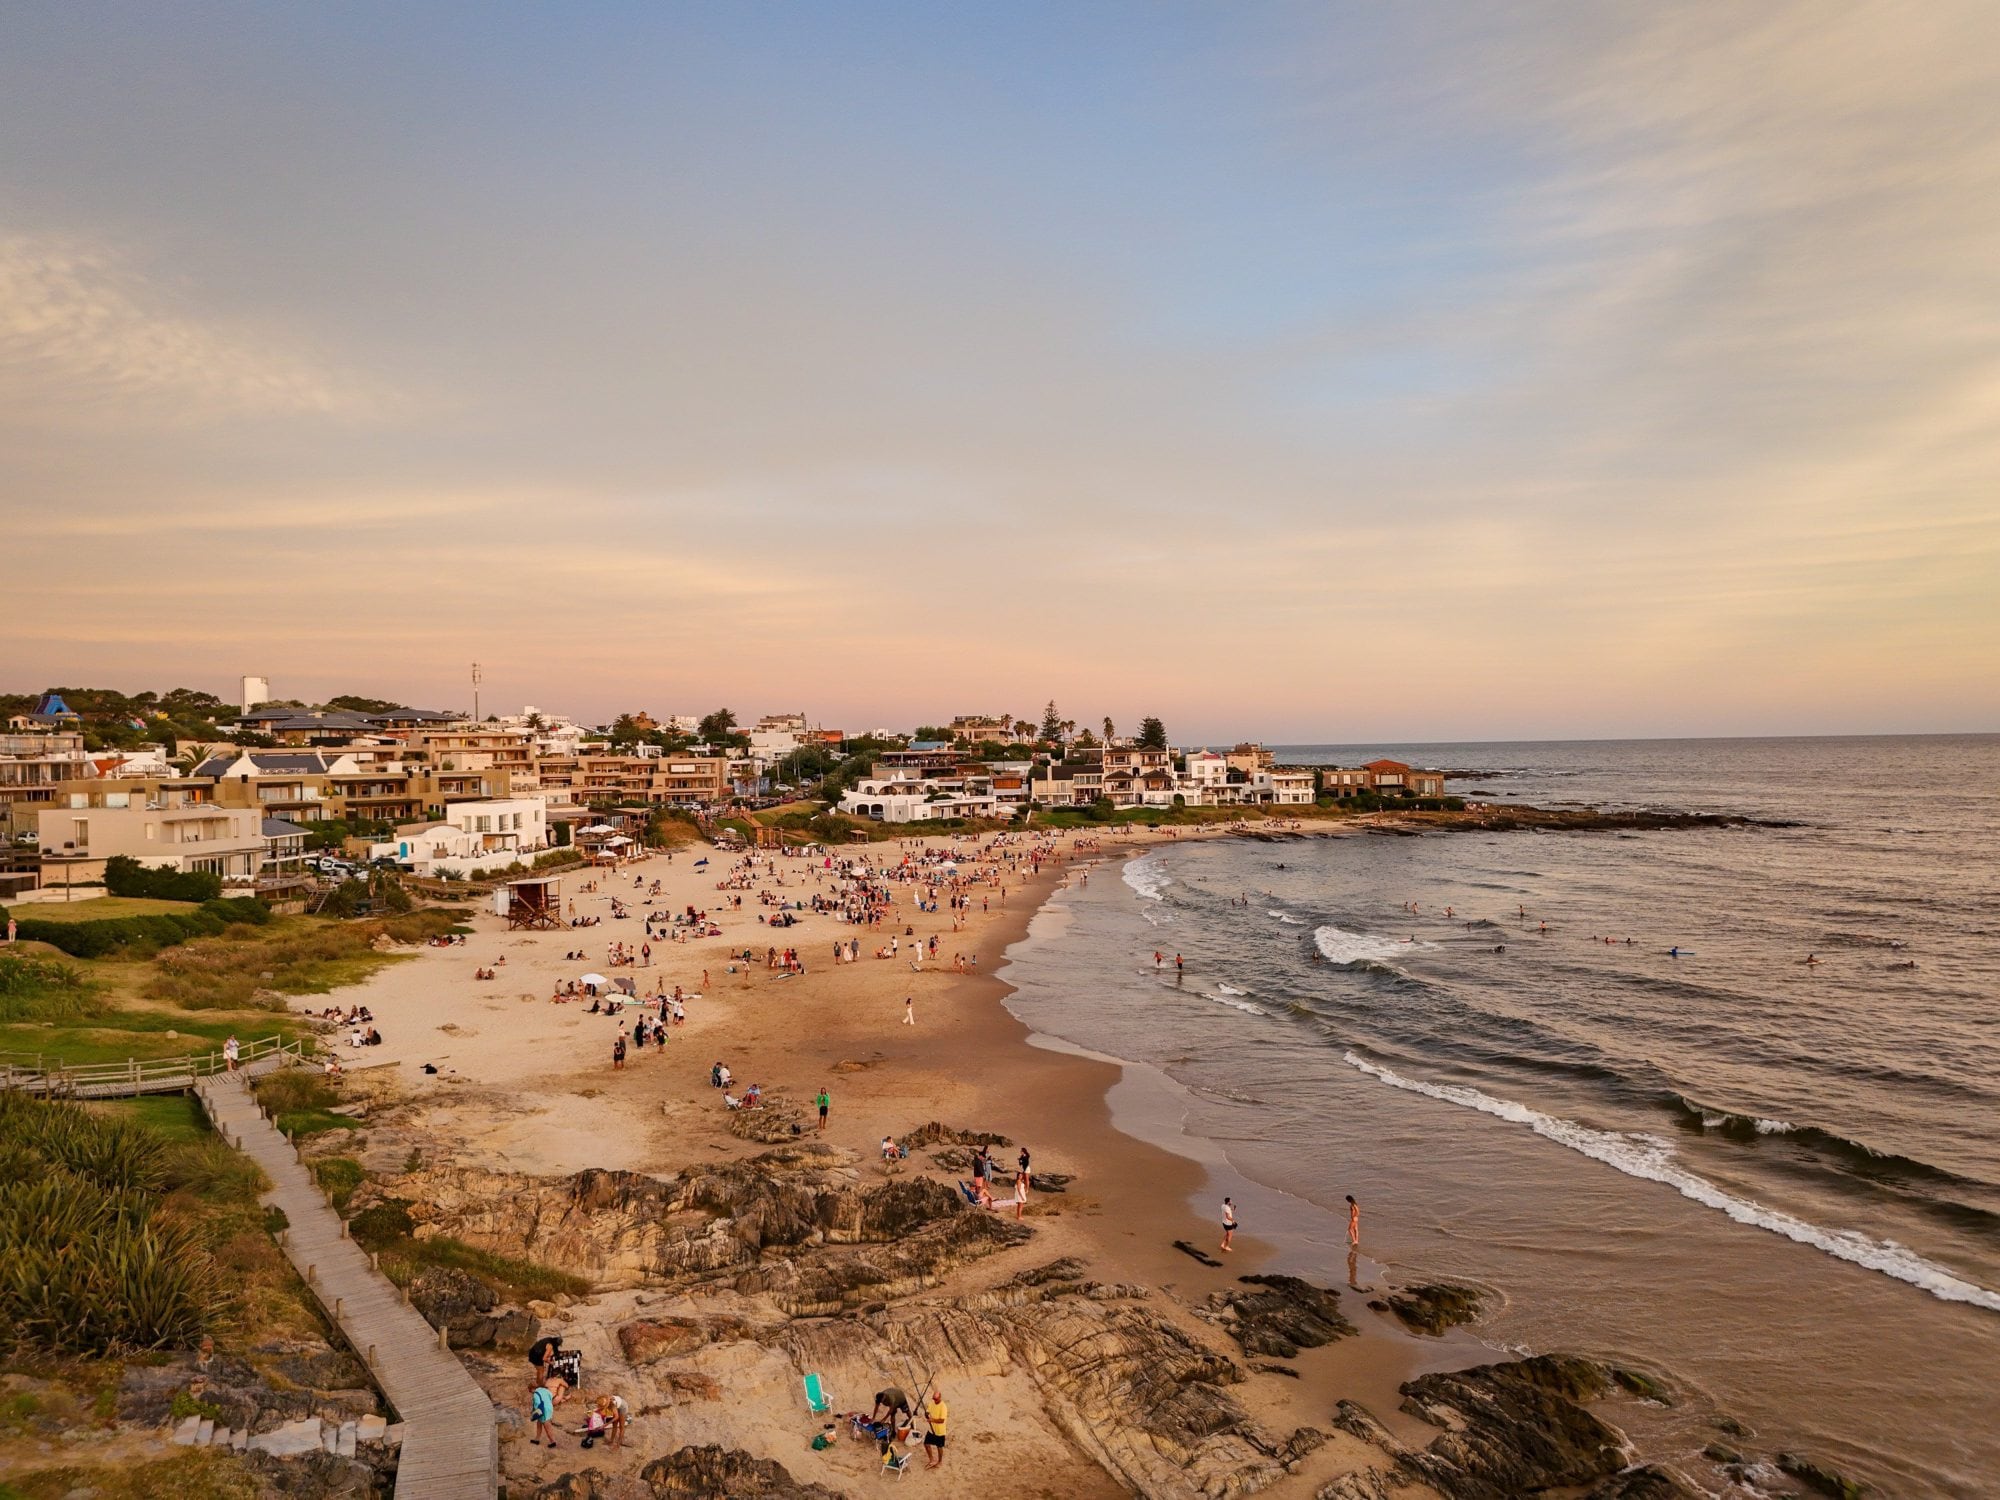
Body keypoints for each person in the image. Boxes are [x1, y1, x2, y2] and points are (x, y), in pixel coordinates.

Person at [923, 1387, 948, 1469]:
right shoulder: (932, 1403)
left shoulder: (943, 1407)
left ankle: (940, 1461)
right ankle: (931, 1460)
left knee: (939, 1446)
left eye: (936, 1399)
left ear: (940, 1397)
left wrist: (932, 1420)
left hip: (940, 1431)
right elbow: (928, 1411)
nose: (934, 1400)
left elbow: (942, 1420)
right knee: (926, 1444)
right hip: (931, 1429)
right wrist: (926, 1414)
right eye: (933, 1398)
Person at [530, 1381, 558, 1446]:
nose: (531, 1393)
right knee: (539, 1423)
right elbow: (551, 1396)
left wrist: (535, 1411)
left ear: (532, 1388)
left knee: (547, 1426)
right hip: (549, 1408)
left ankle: (552, 1441)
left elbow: (537, 1403)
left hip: (543, 1411)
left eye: (530, 1391)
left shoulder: (535, 1394)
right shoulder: (545, 1390)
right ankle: (537, 1439)